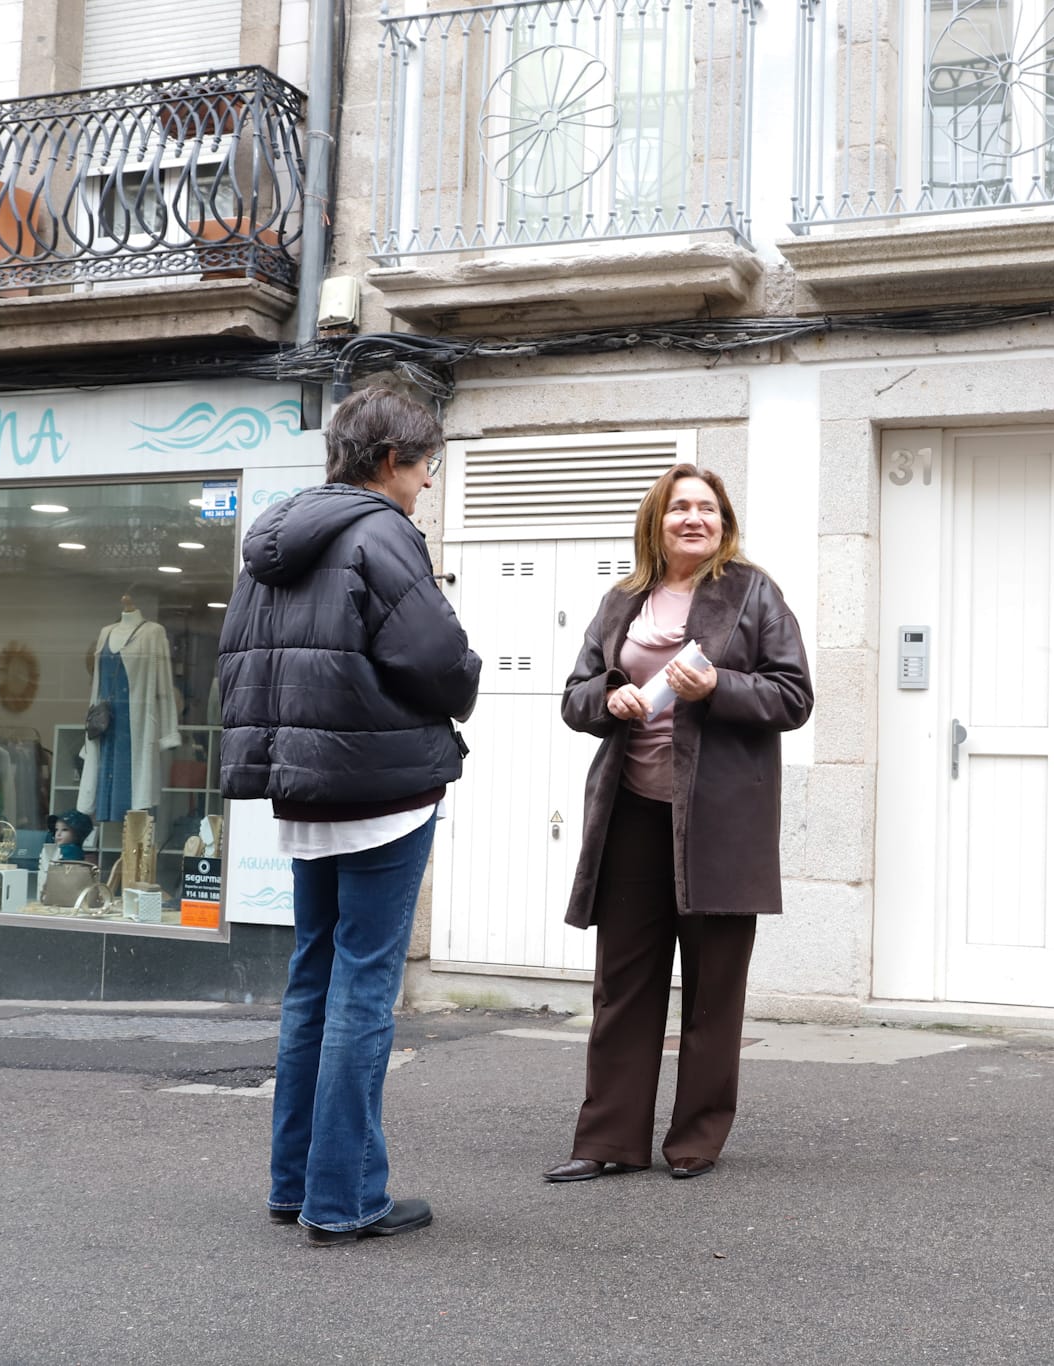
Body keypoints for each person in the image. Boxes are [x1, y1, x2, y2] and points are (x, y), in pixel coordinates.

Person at [218, 387, 480, 1246]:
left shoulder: (276, 538)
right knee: (365, 988)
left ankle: (295, 1184)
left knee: (312, 980)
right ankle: (345, 1199)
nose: (429, 483)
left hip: (306, 789)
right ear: (388, 462)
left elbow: (244, 663)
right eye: (425, 464)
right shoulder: (381, 533)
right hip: (381, 791)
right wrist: (469, 674)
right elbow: (439, 660)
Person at [544, 464, 812, 1184]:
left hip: (722, 820)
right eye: (679, 508)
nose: (694, 518)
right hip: (631, 811)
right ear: (655, 521)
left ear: (724, 522)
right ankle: (607, 1140)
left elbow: (794, 697)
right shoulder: (621, 600)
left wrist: (721, 685)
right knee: (623, 984)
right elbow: (574, 697)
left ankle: (695, 1141)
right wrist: (612, 697)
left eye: (707, 508)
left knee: (713, 989)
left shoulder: (753, 592)